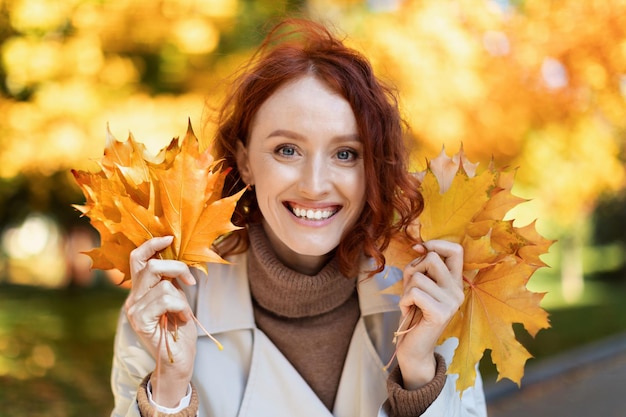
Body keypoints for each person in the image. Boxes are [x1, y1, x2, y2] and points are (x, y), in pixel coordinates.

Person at [111, 18, 487, 417]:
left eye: (345, 154)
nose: (314, 184)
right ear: (245, 163)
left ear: (372, 168)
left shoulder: (429, 300)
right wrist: (168, 392)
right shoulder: (168, 305)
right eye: (287, 150)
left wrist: (418, 378)